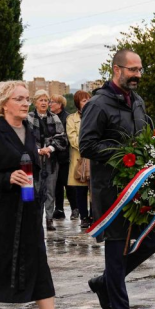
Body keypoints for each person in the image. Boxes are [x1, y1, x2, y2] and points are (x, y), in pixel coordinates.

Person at [0, 80, 85, 309]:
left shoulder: (29, 131)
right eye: (19, 99)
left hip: (27, 208)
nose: (25, 103)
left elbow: (31, 164)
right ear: (5, 103)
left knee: (38, 263)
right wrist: (7, 178)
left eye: (26, 98)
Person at [80, 49, 155, 309]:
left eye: (140, 70)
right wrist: (123, 154)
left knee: (151, 242)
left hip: (139, 189)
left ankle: (105, 282)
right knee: (116, 251)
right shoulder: (98, 104)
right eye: (132, 70)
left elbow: (144, 136)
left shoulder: (137, 102)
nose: (137, 75)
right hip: (112, 191)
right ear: (117, 70)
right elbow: (87, 144)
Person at [27, 90, 67, 231]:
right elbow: (25, 139)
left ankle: (49, 219)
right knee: (36, 190)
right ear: (35, 102)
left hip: (51, 160)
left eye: (46, 100)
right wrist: (37, 150)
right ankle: (36, 219)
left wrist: (50, 148)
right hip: (34, 161)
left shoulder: (55, 118)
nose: (44, 103)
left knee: (50, 190)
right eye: (41, 100)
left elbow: (62, 137)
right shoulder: (28, 118)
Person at [65, 90, 92, 229]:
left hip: (94, 158)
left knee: (94, 189)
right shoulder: (71, 118)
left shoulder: (95, 116)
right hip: (79, 159)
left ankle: (95, 215)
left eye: (88, 100)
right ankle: (84, 217)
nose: (86, 102)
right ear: (77, 103)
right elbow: (72, 138)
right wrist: (87, 145)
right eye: (83, 100)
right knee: (81, 190)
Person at [49, 95, 72, 220]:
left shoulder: (67, 117)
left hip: (65, 155)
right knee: (56, 184)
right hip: (53, 155)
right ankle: (59, 209)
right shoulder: (50, 117)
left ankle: (75, 208)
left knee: (67, 184)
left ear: (60, 104)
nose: (50, 104)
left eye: (52, 102)